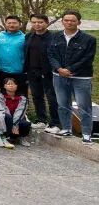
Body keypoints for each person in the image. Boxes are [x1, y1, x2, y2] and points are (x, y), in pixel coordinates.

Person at [47, 10, 95, 144]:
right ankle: (66, 128)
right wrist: (59, 69)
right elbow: (51, 55)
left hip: (81, 77)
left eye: (72, 20)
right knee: (63, 104)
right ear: (62, 21)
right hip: (59, 76)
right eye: (66, 20)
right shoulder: (54, 37)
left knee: (83, 106)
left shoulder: (89, 39)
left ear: (78, 22)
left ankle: (86, 133)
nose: (69, 22)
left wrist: (69, 70)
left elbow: (87, 58)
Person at [24, 14, 57, 131]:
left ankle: (55, 123)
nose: (37, 25)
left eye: (40, 22)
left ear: (46, 23)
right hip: (32, 71)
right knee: (37, 96)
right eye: (34, 22)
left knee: (52, 97)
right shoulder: (29, 36)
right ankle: (41, 120)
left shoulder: (54, 37)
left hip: (48, 72)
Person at [0, 16, 26, 91]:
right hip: (2, 70)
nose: (11, 25)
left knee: (21, 93)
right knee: (4, 93)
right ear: (5, 24)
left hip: (19, 71)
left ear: (20, 24)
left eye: (14, 23)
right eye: (9, 23)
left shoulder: (25, 38)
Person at [0, 77, 31, 148]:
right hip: (6, 117)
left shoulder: (23, 98)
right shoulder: (0, 96)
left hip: (18, 118)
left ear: (17, 86)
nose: (11, 85)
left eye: (13, 84)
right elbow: (4, 109)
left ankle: (21, 137)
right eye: (8, 84)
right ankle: (6, 137)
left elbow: (20, 111)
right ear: (4, 86)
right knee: (7, 117)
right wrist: (12, 123)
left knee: (25, 124)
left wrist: (15, 124)